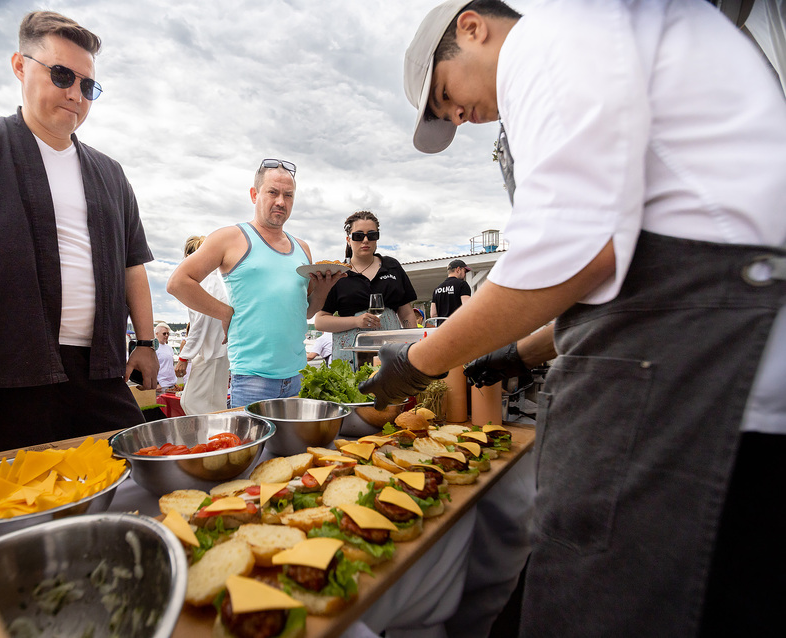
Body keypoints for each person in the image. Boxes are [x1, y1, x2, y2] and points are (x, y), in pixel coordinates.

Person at [360, 1, 786, 636]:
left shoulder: (550, 35)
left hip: (697, 364)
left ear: (472, 26)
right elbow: (629, 280)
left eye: (446, 95)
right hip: (722, 350)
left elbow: (574, 251)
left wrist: (417, 362)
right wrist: (516, 355)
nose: (458, 116)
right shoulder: (597, 59)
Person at [0, 11, 159, 453]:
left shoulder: (111, 173)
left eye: (88, 85)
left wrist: (146, 341)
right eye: (62, 75)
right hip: (6, 372)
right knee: (15, 506)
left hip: (101, 372)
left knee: (134, 481)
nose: (76, 94)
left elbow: (132, 264)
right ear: (20, 66)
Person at [167, 159, 342, 408]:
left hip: (297, 375)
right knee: (254, 448)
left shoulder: (303, 248)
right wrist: (224, 312)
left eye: (288, 195)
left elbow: (306, 311)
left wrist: (324, 287)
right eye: (273, 192)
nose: (281, 201)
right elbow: (178, 282)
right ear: (254, 194)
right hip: (252, 378)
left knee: (292, 448)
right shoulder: (230, 238)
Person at [314, 210, 418, 365]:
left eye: (372, 235)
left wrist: (412, 345)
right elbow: (320, 322)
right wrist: (356, 321)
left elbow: (406, 312)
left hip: (390, 351)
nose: (365, 240)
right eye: (358, 235)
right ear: (348, 240)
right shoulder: (338, 274)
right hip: (350, 354)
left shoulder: (392, 266)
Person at [174, 236, 230, 415]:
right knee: (214, 404)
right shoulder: (214, 283)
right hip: (217, 352)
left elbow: (200, 322)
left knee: (192, 403)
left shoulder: (204, 283)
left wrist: (184, 357)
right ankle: (219, 439)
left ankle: (212, 440)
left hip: (211, 353)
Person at [154, 323, 177, 390]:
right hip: (161, 386)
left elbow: (171, 365)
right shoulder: (153, 348)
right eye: (164, 333)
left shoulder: (169, 348)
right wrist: (156, 383)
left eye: (168, 333)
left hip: (172, 385)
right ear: (157, 334)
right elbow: (150, 368)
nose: (166, 335)